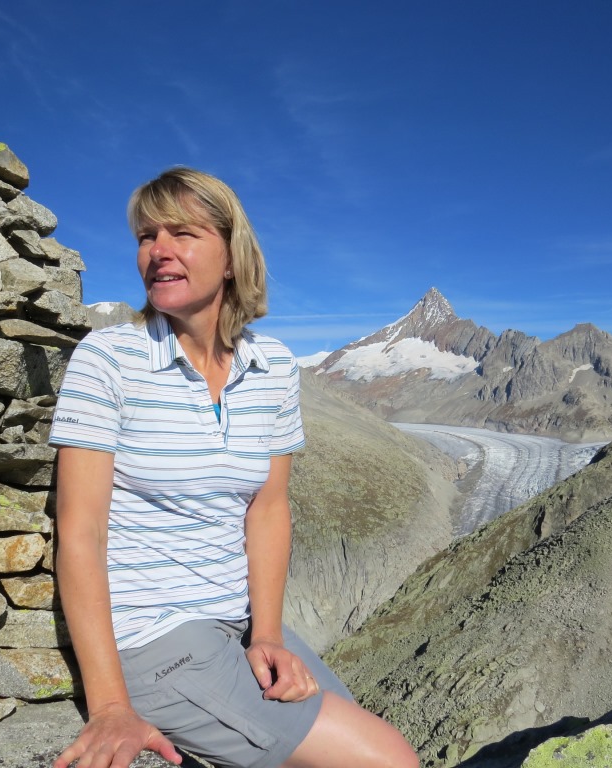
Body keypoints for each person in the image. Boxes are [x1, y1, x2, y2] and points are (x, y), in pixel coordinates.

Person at [49, 168, 419, 768]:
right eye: (146, 237)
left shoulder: (273, 366)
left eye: (182, 233)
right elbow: (80, 530)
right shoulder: (108, 359)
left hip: (239, 624)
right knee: (390, 761)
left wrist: (267, 634)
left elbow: (268, 507)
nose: (158, 250)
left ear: (231, 256)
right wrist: (111, 705)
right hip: (154, 639)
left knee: (355, 729)